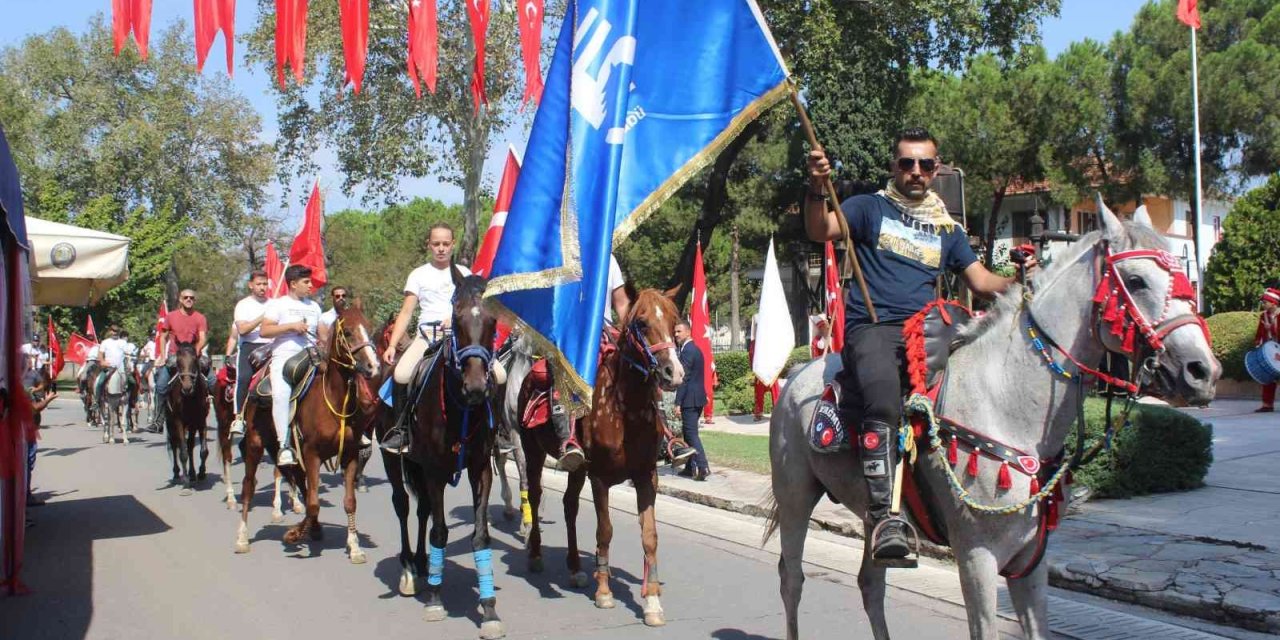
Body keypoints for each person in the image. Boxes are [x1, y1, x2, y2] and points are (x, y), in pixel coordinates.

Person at [804, 127, 1033, 563]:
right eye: (907, 162)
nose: (916, 171)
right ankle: (884, 519)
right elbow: (820, 228)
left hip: (928, 333)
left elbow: (981, 281)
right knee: (883, 402)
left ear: (935, 168)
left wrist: (1022, 280)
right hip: (873, 328)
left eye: (925, 164)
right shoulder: (868, 207)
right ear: (894, 166)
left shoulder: (948, 228)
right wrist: (817, 185)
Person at [380, 223, 473, 454]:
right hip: (427, 337)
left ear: (453, 244)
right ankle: (401, 431)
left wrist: (455, 319)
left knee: (498, 374)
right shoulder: (418, 275)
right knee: (401, 374)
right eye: (436, 244)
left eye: (445, 244)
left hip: (460, 338)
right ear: (429, 245)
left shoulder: (466, 274)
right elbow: (406, 312)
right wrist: (392, 345)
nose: (441, 248)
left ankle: (498, 432)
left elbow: (474, 307)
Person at [259, 264, 323, 467]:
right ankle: (284, 445)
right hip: (285, 357)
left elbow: (322, 334)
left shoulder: (314, 307)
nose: (310, 285)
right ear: (293, 284)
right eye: (306, 282)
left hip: (312, 356)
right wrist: (291, 326)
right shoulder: (278, 305)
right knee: (281, 394)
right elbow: (264, 331)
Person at [153, 289, 210, 432]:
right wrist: (162, 356)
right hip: (175, 356)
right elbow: (163, 337)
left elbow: (202, 338)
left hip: (194, 355)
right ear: (180, 299)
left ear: (194, 300)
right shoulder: (171, 316)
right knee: (160, 386)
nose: (189, 299)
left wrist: (196, 350)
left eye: (191, 298)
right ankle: (158, 421)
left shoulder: (200, 317)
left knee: (213, 381)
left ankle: (216, 416)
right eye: (186, 297)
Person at [229, 271, 273, 435]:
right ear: (250, 285)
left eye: (265, 284)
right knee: (244, 378)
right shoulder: (243, 305)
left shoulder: (274, 304)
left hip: (271, 345)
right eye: (259, 284)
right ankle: (239, 417)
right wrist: (262, 317)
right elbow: (242, 329)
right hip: (250, 346)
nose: (262, 287)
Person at [674, 321, 710, 481]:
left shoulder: (688, 351)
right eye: (675, 332)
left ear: (688, 332)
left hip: (690, 399)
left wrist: (678, 403)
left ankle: (703, 466)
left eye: (679, 331)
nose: (676, 334)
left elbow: (684, 378)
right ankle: (690, 467)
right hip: (696, 398)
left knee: (691, 434)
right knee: (688, 434)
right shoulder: (693, 349)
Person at [24, 369, 56, 509]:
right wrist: (47, 400)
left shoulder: (33, 373)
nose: (28, 361)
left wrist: (37, 389)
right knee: (27, 462)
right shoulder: (18, 381)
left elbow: (42, 383)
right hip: (26, 430)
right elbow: (33, 409)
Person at [1255, 287, 1280, 412]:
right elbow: (1259, 333)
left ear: (1273, 303)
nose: (1263, 304)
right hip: (1269, 350)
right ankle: (1267, 405)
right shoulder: (1263, 316)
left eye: (1265, 302)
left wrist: (1271, 328)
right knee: (1268, 377)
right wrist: (1257, 344)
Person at [749, 315, 778, 422]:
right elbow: (751, 355)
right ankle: (758, 413)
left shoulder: (771, 340)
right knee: (759, 393)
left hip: (771, 370)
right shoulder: (754, 343)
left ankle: (778, 412)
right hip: (760, 371)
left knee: (775, 392)